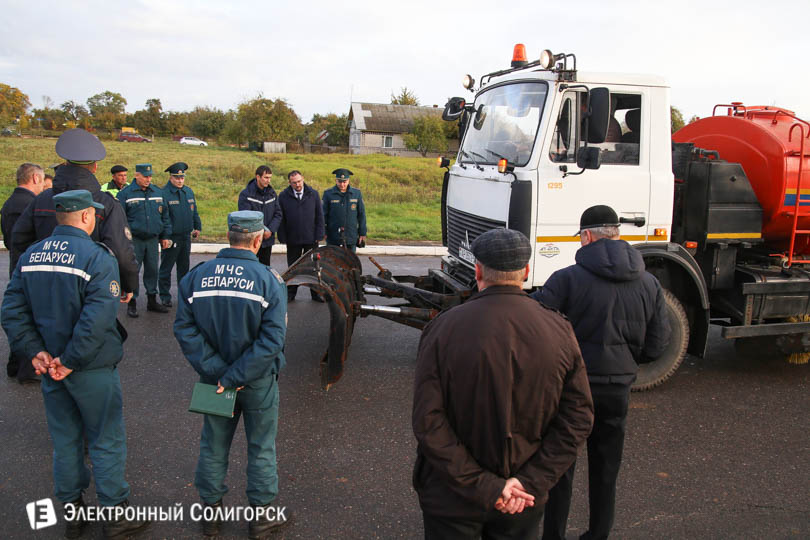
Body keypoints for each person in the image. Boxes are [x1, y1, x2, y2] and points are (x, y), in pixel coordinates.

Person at [412, 228, 594, 540]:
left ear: (478, 270)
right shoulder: (559, 330)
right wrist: (528, 482)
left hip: (451, 495)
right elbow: (578, 418)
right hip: (522, 498)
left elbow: (428, 421)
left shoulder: (443, 328)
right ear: (525, 271)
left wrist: (486, 487)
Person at [1, 190, 149, 540]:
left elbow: (11, 310)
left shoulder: (31, 255)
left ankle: (73, 513)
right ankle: (115, 516)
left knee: (66, 440)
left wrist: (35, 351)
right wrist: (71, 360)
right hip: (89, 367)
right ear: (86, 217)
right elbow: (97, 319)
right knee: (106, 439)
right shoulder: (97, 257)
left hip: (49, 366)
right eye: (94, 215)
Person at [533, 205, 671, 540]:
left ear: (587, 236)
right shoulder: (650, 283)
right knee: (606, 468)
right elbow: (657, 345)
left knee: (561, 465)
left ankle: (554, 536)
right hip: (618, 388)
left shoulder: (566, 279)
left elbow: (535, 328)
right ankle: (597, 535)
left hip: (572, 389)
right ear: (617, 234)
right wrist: (627, 362)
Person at [174, 210, 289, 538]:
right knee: (261, 446)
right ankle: (262, 517)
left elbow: (184, 329)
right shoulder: (269, 280)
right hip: (258, 381)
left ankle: (210, 515)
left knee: (213, 444)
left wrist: (220, 374)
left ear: (229, 236)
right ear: (257, 240)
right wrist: (237, 375)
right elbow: (272, 341)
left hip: (215, 382)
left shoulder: (197, 277)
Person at [11, 128, 138, 308]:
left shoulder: (40, 200)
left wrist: (21, 281)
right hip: (88, 293)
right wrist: (128, 284)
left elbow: (19, 240)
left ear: (65, 163)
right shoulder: (106, 204)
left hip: (41, 292)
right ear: (95, 166)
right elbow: (121, 252)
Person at [2, 163, 47, 383]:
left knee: (21, 316)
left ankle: (15, 363)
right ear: (36, 179)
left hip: (17, 265)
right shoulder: (29, 204)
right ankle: (27, 369)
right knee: (30, 319)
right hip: (29, 270)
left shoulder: (11, 201)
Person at [117, 163, 172, 317]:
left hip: (153, 239)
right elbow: (120, 220)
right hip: (134, 240)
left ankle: (152, 300)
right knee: (133, 270)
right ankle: (132, 302)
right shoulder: (125, 194)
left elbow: (165, 216)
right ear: (136, 175)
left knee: (152, 270)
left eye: (150, 176)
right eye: (145, 176)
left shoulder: (157, 192)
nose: (149, 179)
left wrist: (166, 236)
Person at [277, 170, 324, 302]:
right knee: (293, 268)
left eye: (299, 181)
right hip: (293, 239)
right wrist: (282, 236)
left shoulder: (313, 194)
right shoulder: (283, 196)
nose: (297, 184)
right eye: (294, 182)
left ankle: (316, 294)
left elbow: (320, 216)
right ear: (289, 183)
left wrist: (319, 234)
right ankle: (291, 294)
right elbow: (281, 218)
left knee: (313, 268)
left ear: (303, 179)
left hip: (311, 239)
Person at [158, 162, 201, 307]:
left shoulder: (188, 191)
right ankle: (165, 296)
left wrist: (197, 227)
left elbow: (194, 211)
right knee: (166, 268)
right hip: (172, 238)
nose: (180, 181)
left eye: (182, 178)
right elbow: (164, 218)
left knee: (184, 268)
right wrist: (165, 236)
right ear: (171, 177)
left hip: (185, 236)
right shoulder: (164, 193)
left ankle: (184, 296)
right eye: (177, 178)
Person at [237, 165, 282, 265]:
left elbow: (278, 214)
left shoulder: (272, 194)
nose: (268, 181)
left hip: (267, 240)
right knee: (249, 268)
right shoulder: (246, 194)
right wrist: (263, 230)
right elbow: (247, 215)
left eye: (270, 178)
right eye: (266, 177)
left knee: (265, 268)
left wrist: (270, 230)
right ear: (258, 177)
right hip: (251, 240)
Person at [322, 168, 367, 252]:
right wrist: (323, 232)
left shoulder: (356, 193)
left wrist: (362, 233)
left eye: (344, 182)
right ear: (336, 180)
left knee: (350, 263)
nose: (342, 184)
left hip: (351, 235)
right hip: (333, 236)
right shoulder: (328, 194)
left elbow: (361, 214)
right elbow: (323, 215)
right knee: (333, 262)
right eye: (339, 181)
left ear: (348, 180)